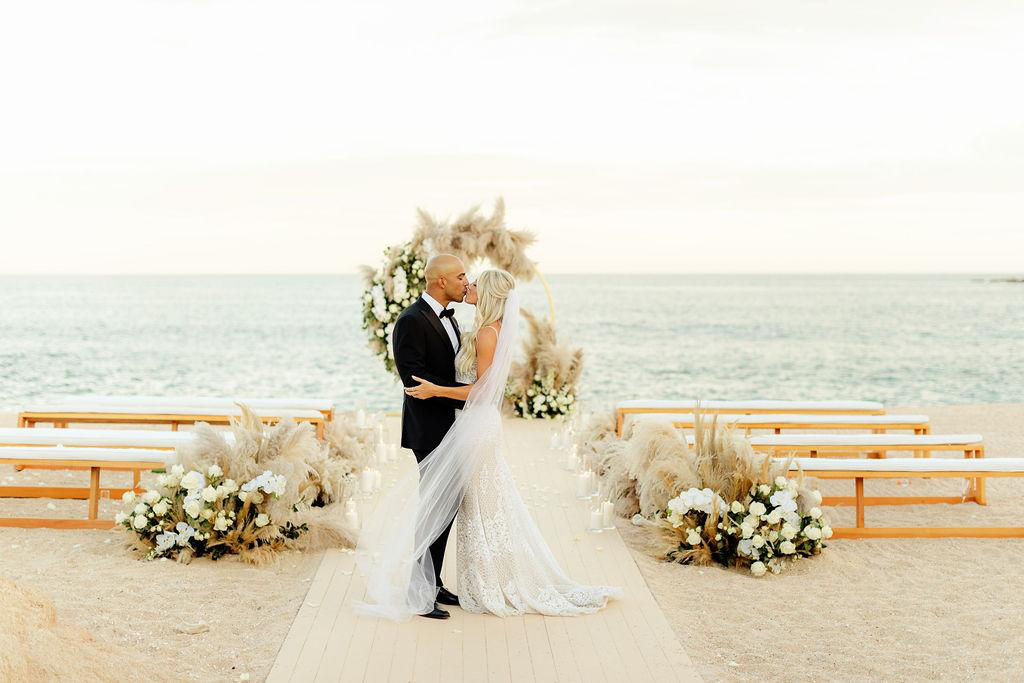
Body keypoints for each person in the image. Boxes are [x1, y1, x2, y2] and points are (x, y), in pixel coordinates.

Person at [355, 263, 620, 621]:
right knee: (443, 506)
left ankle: (439, 585)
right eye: (463, 277)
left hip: (470, 424)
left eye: (474, 281)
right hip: (439, 427)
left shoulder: (483, 332)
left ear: (489, 294)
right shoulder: (418, 321)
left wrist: (438, 391)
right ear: (442, 280)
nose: (468, 284)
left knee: (467, 505)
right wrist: (435, 392)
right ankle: (425, 588)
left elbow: (479, 389)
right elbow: (416, 378)